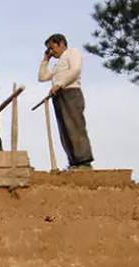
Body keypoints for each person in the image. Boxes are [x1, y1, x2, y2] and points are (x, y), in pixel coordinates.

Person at [39, 33, 94, 170]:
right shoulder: (58, 64)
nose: (51, 52)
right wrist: (46, 60)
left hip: (71, 92)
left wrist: (60, 84)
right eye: (49, 50)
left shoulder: (72, 53)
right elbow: (42, 77)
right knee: (65, 130)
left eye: (52, 48)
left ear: (61, 43)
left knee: (75, 127)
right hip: (58, 95)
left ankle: (84, 161)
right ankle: (74, 162)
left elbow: (75, 70)